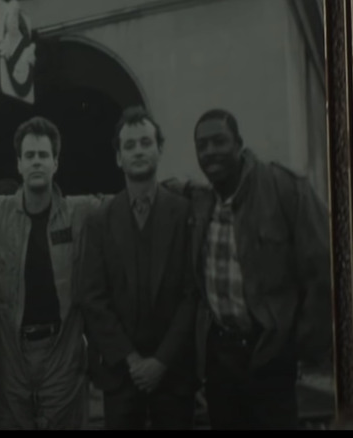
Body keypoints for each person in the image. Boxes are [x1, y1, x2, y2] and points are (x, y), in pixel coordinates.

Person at [179, 108, 331, 430]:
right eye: (201, 145)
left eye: (219, 141)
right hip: (220, 358)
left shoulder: (284, 189)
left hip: (270, 353)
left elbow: (323, 269)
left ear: (239, 144)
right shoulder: (202, 201)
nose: (210, 152)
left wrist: (300, 345)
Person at [77, 106, 198, 430]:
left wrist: (160, 362)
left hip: (173, 374)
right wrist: (132, 361)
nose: (138, 151)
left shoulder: (184, 213)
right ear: (118, 157)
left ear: (159, 148)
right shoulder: (100, 220)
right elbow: (92, 298)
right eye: (129, 146)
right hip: (121, 376)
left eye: (145, 142)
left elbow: (192, 294)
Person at [0, 116, 101, 429]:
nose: (36, 162)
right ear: (18, 164)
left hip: (62, 353)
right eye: (29, 155)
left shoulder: (79, 212)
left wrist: (184, 185)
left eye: (43, 155)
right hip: (11, 357)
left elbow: (124, 202)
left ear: (55, 163)